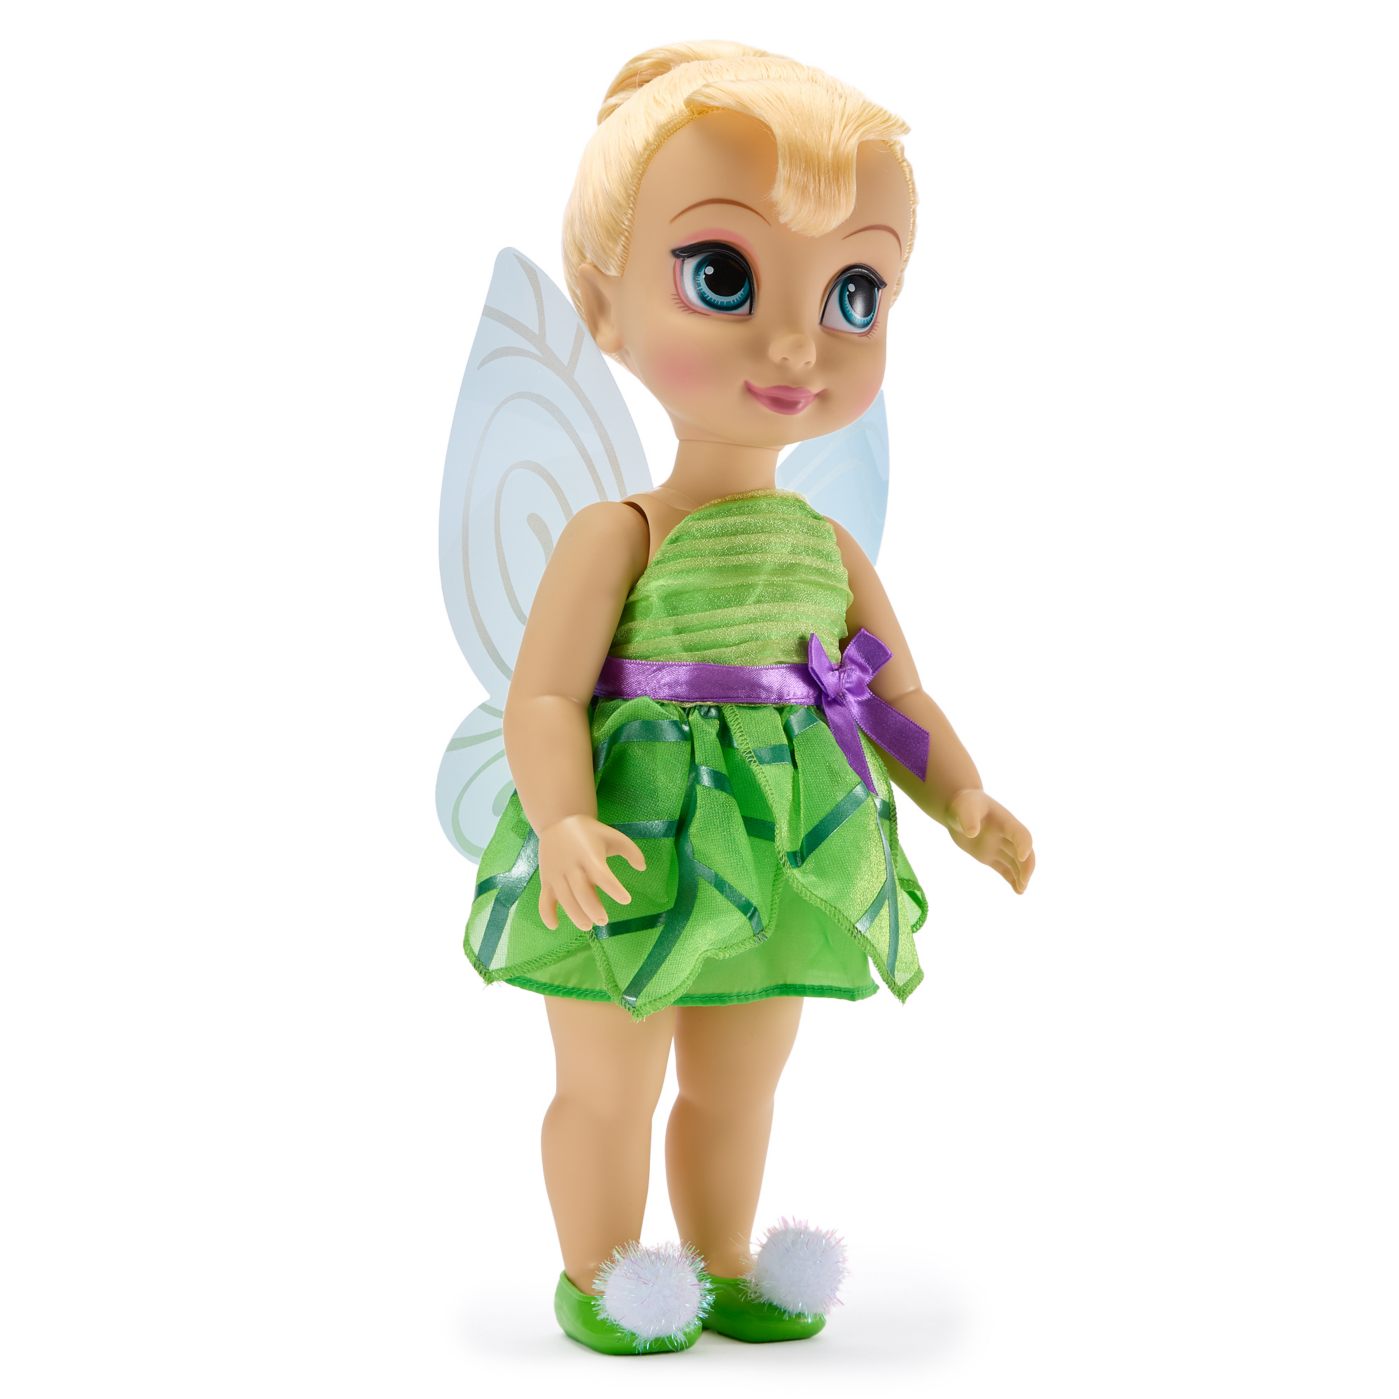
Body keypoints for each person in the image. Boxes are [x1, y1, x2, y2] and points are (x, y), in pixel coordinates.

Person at [460, 39, 1035, 1354]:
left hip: (778, 851)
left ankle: (718, 1259)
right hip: (630, 843)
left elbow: (889, 693)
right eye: (721, 276)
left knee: (740, 1080)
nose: (795, 341)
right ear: (602, 307)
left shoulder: (826, 550)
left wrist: (961, 796)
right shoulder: (621, 533)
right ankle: (603, 1272)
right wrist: (562, 821)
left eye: (853, 294)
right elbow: (543, 698)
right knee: (611, 1076)